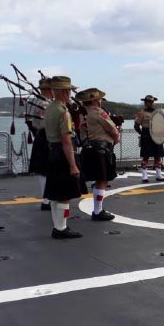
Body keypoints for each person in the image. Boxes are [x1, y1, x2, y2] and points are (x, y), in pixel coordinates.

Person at [43, 76, 85, 239]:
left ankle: (58, 227)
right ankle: (61, 229)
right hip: (62, 154)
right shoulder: (62, 112)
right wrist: (73, 165)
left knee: (56, 194)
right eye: (69, 91)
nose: (70, 94)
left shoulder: (50, 108)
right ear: (65, 92)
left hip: (53, 151)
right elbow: (67, 141)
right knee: (65, 195)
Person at [75, 87, 120, 220]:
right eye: (99, 99)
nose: (100, 101)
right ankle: (97, 211)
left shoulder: (80, 113)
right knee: (102, 180)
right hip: (101, 150)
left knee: (97, 178)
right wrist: (116, 140)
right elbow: (113, 130)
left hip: (86, 149)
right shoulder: (98, 112)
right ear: (95, 100)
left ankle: (97, 209)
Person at [27, 77, 54, 210]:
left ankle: (47, 199)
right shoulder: (45, 104)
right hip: (46, 137)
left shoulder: (36, 101)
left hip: (40, 136)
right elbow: (47, 124)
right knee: (46, 170)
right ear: (50, 89)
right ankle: (47, 200)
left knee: (44, 170)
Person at [134, 95, 164, 183]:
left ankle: (159, 175)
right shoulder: (141, 113)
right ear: (145, 102)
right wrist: (142, 134)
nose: (149, 103)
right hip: (146, 135)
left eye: (151, 102)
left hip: (157, 135)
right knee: (145, 156)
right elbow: (136, 125)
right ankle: (144, 176)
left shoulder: (158, 112)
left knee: (158, 156)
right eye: (147, 101)